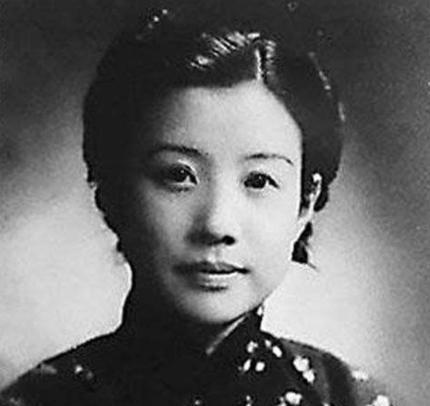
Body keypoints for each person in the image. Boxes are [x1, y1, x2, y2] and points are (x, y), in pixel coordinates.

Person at [0, 1, 392, 405]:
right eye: (177, 175)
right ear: (112, 191)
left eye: (258, 180)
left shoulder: (346, 398)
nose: (217, 224)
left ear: (305, 204)